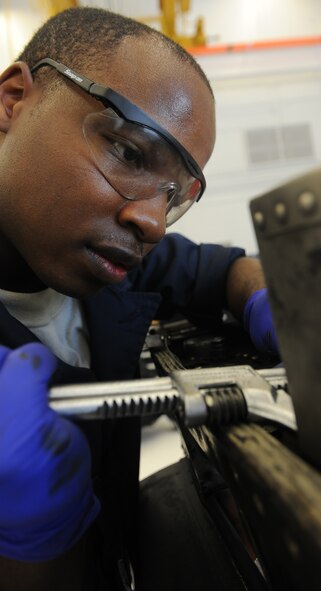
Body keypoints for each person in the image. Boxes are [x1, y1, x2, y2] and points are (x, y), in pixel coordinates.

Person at [0, 7, 278, 590]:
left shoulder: (111, 262)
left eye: (175, 194)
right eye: (128, 153)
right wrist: (34, 545)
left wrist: (268, 303)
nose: (152, 222)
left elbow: (226, 268)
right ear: (12, 101)